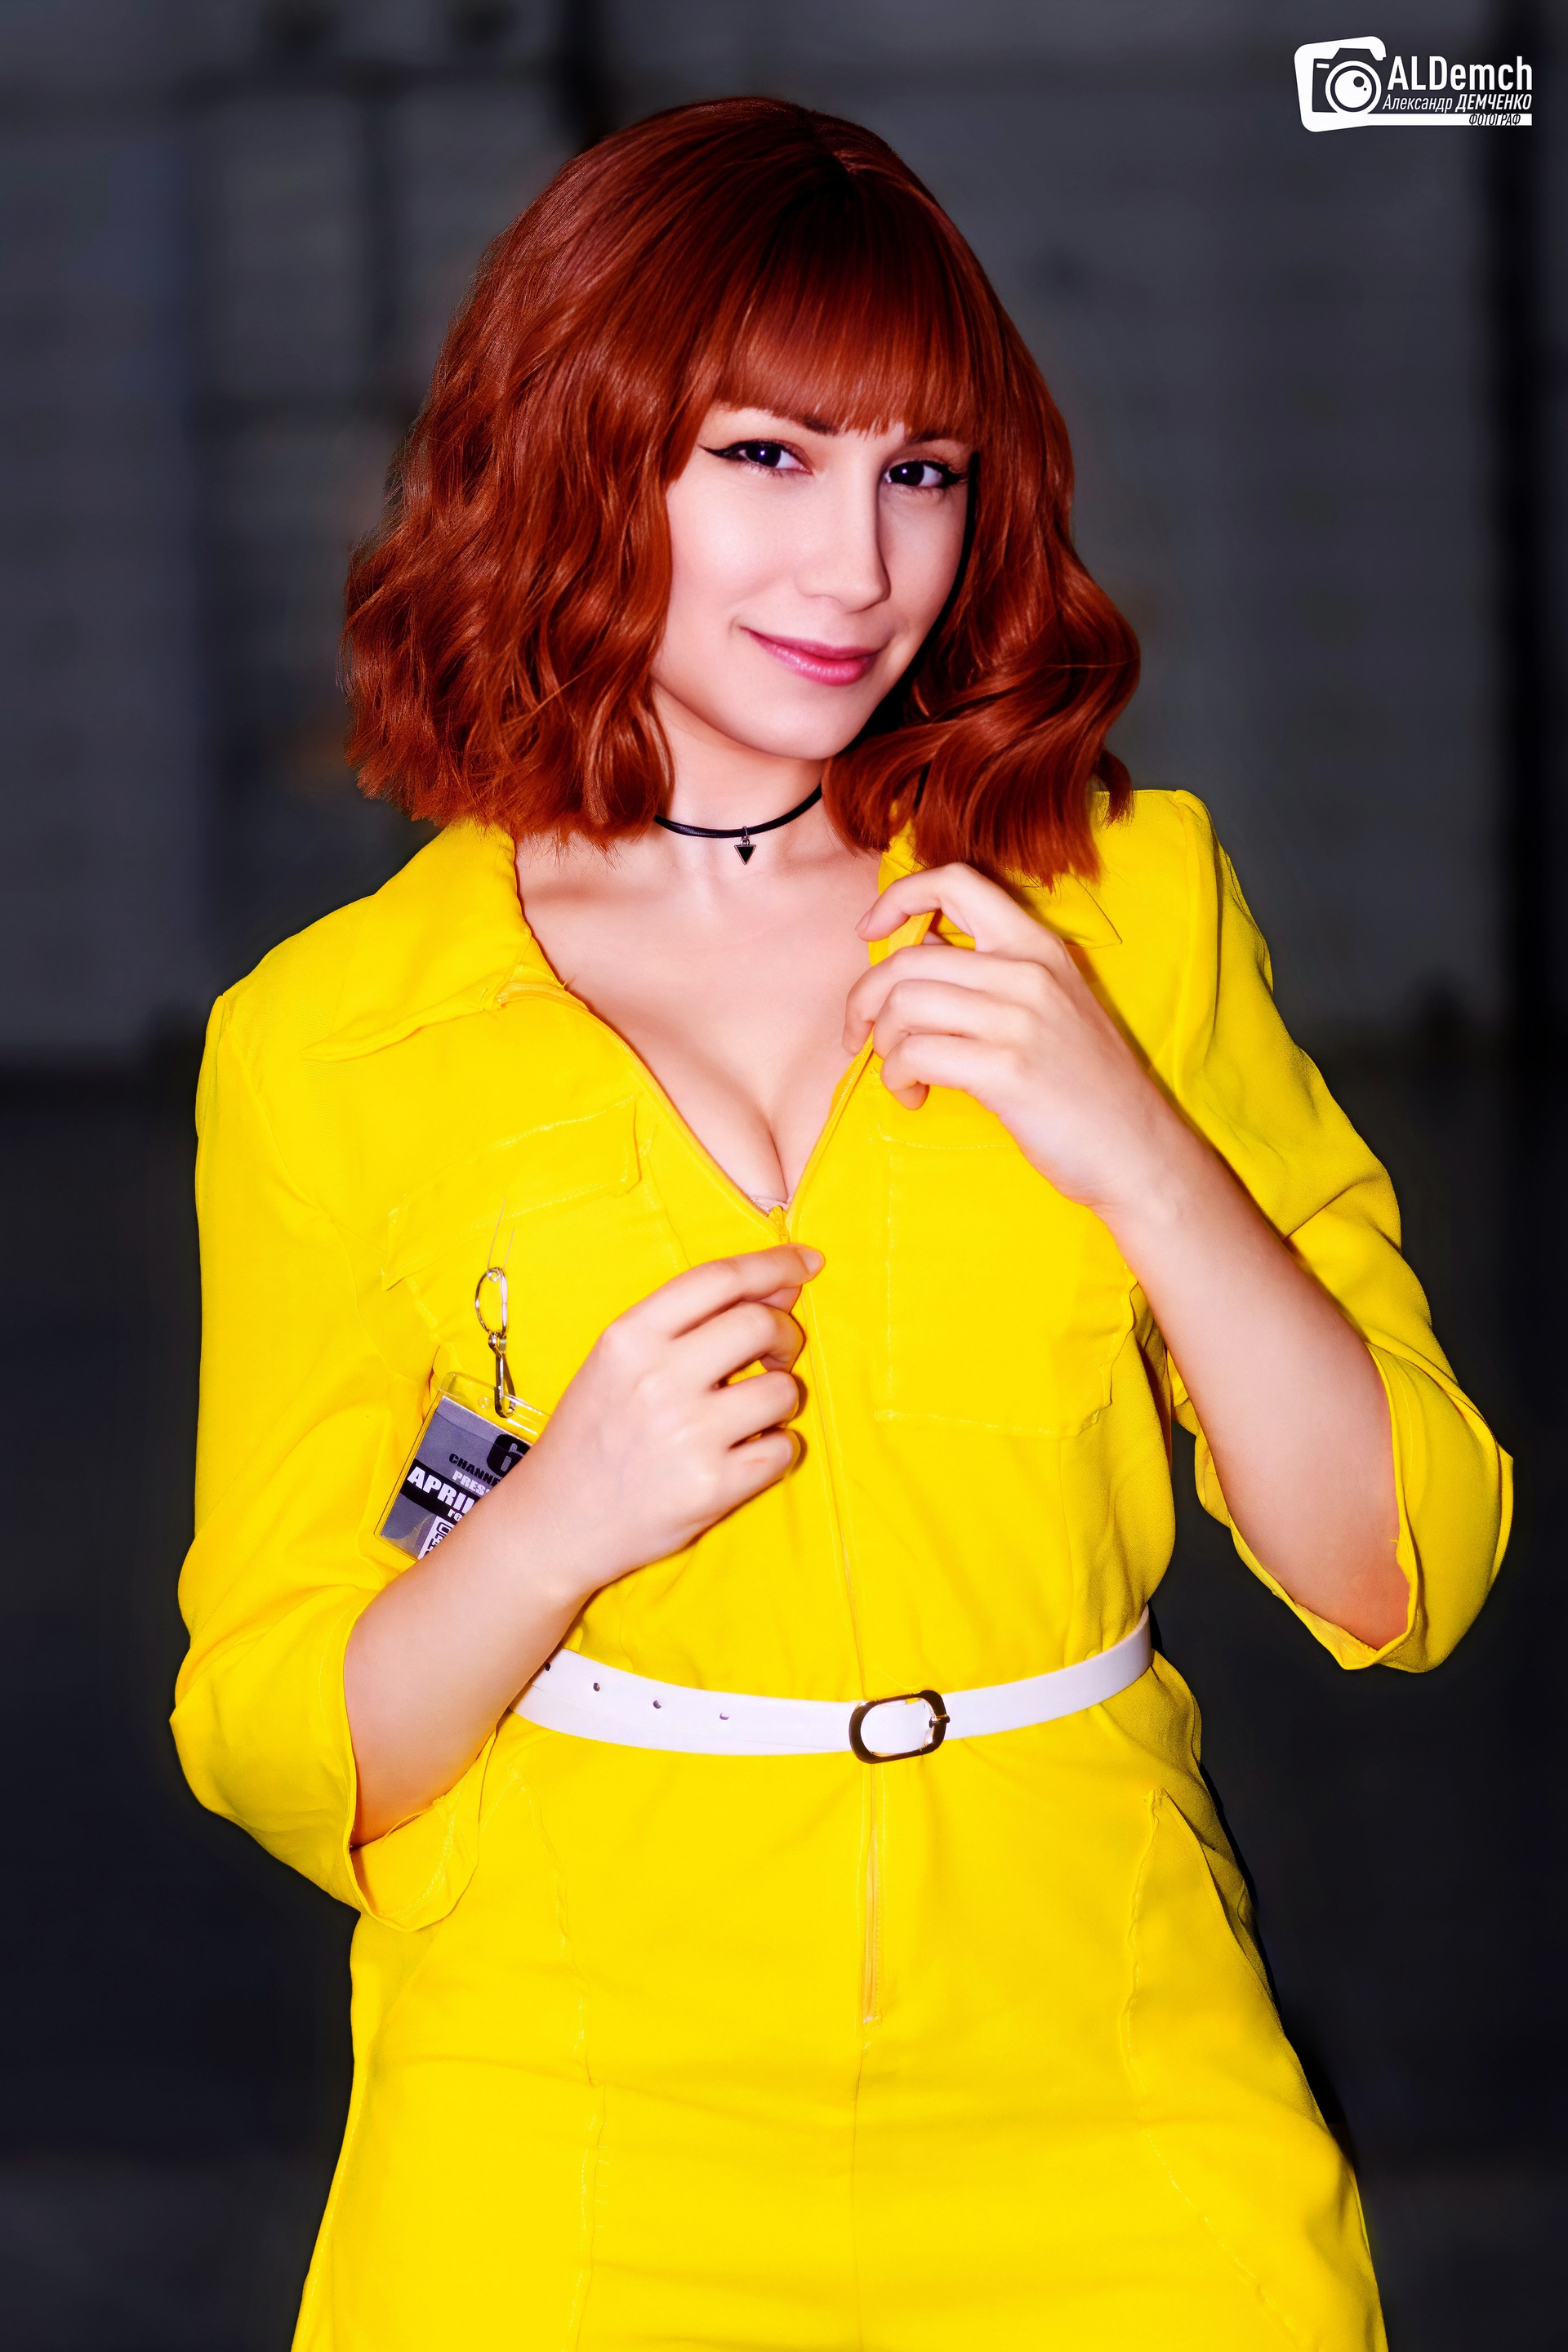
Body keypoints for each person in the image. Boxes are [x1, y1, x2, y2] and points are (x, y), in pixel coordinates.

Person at [172, 97, 1509, 2351]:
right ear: (573, 456)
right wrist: (555, 1518)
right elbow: (284, 1737)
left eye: (921, 471)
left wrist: (1138, 1146)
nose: (859, 565)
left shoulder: (1123, 911)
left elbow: (1405, 1563)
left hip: (1107, 2082)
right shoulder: (335, 1038)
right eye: (768, 457)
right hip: (566, 2118)